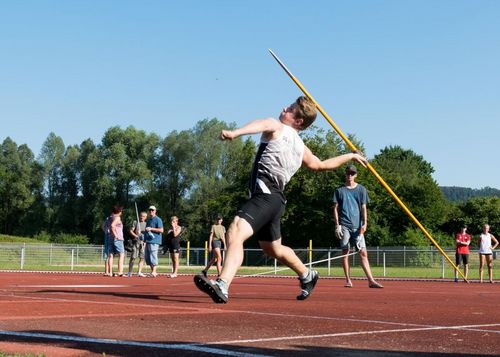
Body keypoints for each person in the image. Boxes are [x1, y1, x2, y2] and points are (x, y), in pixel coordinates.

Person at [193, 96, 367, 303]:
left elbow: (261, 124)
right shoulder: (301, 146)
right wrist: (350, 155)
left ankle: (222, 284)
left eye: (290, 108)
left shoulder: (276, 126)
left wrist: (235, 133)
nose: (284, 108)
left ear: (298, 120)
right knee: (272, 248)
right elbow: (320, 164)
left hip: (265, 194)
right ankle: (307, 275)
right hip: (277, 201)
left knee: (235, 232)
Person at [333, 165, 383, 289]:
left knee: (363, 252)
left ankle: (371, 280)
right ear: (345, 174)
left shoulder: (361, 189)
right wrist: (337, 225)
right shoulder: (339, 190)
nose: (350, 175)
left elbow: (363, 207)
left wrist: (365, 224)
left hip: (358, 226)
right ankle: (348, 280)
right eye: (348, 173)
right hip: (344, 225)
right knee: (345, 252)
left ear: (355, 175)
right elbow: (335, 208)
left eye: (352, 173)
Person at [144, 205, 164, 277]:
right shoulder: (148, 220)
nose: (151, 211)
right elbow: (147, 231)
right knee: (147, 258)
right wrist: (144, 239)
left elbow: (161, 230)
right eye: (150, 210)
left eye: (152, 210)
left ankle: (154, 271)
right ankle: (153, 271)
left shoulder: (158, 219)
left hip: (155, 241)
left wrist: (151, 229)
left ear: (155, 211)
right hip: (148, 241)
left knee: (153, 256)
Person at [127, 211, 148, 277]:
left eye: (143, 216)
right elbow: (131, 230)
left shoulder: (147, 224)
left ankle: (139, 272)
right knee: (133, 257)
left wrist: (145, 241)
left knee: (142, 258)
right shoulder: (136, 222)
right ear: (139, 216)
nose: (142, 217)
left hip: (143, 243)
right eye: (141, 215)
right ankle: (129, 272)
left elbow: (148, 234)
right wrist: (136, 236)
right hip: (136, 242)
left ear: (146, 217)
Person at [107, 205, 125, 277]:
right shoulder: (117, 218)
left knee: (110, 255)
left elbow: (105, 226)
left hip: (110, 238)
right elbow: (112, 225)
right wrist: (116, 235)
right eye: (121, 211)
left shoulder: (110, 217)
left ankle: (110, 272)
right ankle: (120, 272)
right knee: (121, 254)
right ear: (119, 211)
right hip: (118, 239)